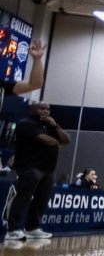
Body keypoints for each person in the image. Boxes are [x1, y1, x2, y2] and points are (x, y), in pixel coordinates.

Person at [4, 101, 66, 241]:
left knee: (41, 199)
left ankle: (32, 228)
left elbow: (66, 139)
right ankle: (13, 230)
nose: (45, 111)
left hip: (48, 168)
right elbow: (46, 140)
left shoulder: (50, 126)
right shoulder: (26, 123)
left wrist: (55, 126)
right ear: (32, 109)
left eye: (48, 109)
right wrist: (58, 142)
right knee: (24, 197)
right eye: (41, 108)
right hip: (29, 167)